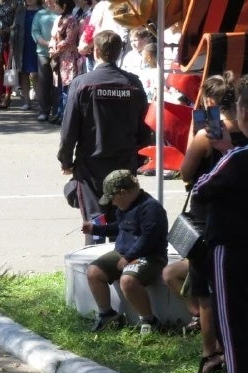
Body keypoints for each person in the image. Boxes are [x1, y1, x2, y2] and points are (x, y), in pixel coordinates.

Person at [192, 72, 248, 373]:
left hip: (232, 250)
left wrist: (225, 151)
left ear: (243, 112)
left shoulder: (239, 157)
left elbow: (201, 187)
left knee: (234, 328)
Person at [57, 30, 149, 240]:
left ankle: (95, 267)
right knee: (122, 217)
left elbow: (69, 128)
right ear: (119, 52)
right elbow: (145, 125)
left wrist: (65, 160)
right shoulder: (133, 83)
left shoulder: (82, 83)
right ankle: (118, 265)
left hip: (91, 165)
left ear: (96, 51)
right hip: (124, 161)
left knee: (95, 220)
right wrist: (141, 156)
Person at [81, 169, 168, 333]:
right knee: (93, 272)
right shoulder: (125, 206)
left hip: (149, 256)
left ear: (122, 193)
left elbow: (148, 239)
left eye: (113, 198)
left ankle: (149, 320)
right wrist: (96, 229)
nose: (112, 203)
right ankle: (106, 313)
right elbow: (120, 228)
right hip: (123, 253)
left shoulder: (151, 208)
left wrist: (128, 258)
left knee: (128, 281)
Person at [47, 0, 78, 123]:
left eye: (56, 4)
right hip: (57, 56)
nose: (54, 6)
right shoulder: (58, 18)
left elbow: (70, 39)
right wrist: (51, 47)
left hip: (67, 57)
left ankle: (66, 115)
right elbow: (52, 37)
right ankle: (59, 112)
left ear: (64, 5)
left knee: (66, 86)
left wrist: (57, 50)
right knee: (59, 86)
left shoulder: (71, 19)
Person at [11, 0, 41, 111]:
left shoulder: (42, 10)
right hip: (22, 46)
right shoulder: (21, 10)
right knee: (23, 74)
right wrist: (12, 45)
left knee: (36, 75)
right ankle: (27, 102)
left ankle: (40, 102)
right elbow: (14, 29)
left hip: (37, 46)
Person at [31, 0, 56, 121]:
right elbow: (35, 31)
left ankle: (57, 111)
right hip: (43, 53)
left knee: (57, 83)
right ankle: (44, 111)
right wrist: (45, 43)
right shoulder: (39, 14)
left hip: (58, 53)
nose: (48, 1)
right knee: (44, 83)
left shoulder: (60, 13)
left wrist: (56, 46)